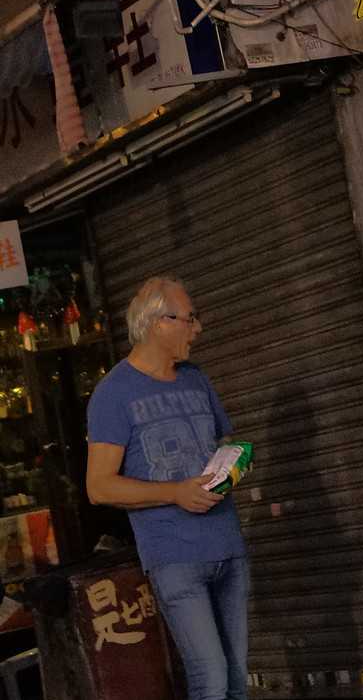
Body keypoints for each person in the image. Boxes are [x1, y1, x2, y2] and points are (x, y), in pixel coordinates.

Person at [86, 277, 249, 700]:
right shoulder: (113, 394)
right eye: (190, 319)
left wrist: (231, 463)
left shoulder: (196, 379)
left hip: (227, 546)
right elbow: (99, 487)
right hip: (175, 558)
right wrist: (176, 492)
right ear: (159, 322)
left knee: (236, 679)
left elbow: (224, 441)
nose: (197, 329)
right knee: (209, 678)